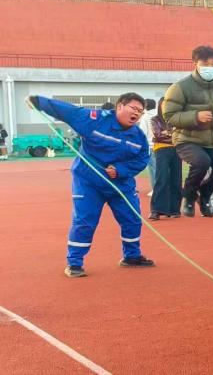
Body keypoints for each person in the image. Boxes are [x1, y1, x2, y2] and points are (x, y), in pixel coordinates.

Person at [27, 93, 154, 277]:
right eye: (133, 108)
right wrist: (39, 102)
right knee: (84, 222)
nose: (137, 113)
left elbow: (142, 159)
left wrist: (120, 170)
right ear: (119, 106)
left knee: (132, 219)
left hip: (121, 185)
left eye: (140, 111)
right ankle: (74, 263)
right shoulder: (94, 120)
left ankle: (132, 256)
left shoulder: (138, 137)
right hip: (89, 183)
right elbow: (69, 111)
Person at [163, 46, 213, 217]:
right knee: (202, 162)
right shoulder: (180, 87)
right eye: (205, 64)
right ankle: (188, 197)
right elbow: (169, 115)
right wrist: (195, 116)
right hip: (187, 138)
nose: (210, 68)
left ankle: (205, 194)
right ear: (195, 63)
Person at [148, 98, 182, 220]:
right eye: (164, 105)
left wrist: (167, 133)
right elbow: (158, 135)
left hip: (177, 150)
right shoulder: (155, 120)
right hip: (161, 150)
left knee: (176, 179)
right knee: (161, 178)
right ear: (160, 106)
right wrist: (172, 134)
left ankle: (174, 209)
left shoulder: (176, 120)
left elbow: (181, 135)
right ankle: (156, 210)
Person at [138, 98, 158, 196]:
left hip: (150, 146)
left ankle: (155, 189)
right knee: (162, 169)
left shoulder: (145, 117)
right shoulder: (159, 115)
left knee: (153, 169)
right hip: (162, 146)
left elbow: (142, 133)